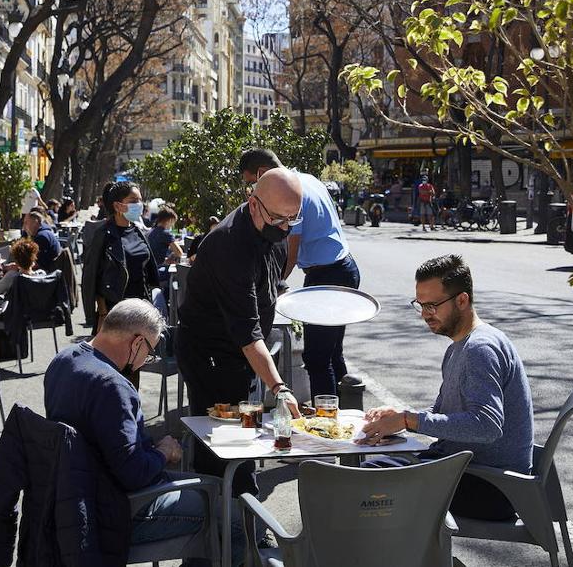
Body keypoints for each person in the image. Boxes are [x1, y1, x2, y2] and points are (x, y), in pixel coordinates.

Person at [44, 299, 250, 566]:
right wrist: (163, 452)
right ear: (137, 342)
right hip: (118, 509)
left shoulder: (62, 361)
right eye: (149, 352)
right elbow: (134, 474)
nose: (145, 361)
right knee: (238, 519)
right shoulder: (112, 386)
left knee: (208, 494)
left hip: (76, 497)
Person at [358, 255, 534, 522]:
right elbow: (442, 411)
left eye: (433, 305)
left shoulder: (480, 349)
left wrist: (409, 420)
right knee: (367, 470)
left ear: (462, 300)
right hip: (463, 469)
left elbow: (487, 426)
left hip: (492, 488)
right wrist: (398, 418)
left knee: (366, 484)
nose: (425, 314)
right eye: (420, 305)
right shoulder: (458, 348)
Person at [176, 170, 300, 496]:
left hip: (241, 351)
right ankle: (224, 525)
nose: (285, 227)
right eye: (278, 218)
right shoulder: (228, 245)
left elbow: (272, 279)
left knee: (247, 431)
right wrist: (280, 387)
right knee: (224, 440)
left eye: (292, 219)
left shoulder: (275, 226)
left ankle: (239, 517)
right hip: (211, 352)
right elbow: (247, 332)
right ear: (253, 202)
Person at [241, 148, 361, 401]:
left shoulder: (292, 195)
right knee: (332, 353)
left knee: (317, 358)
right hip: (343, 269)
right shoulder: (307, 178)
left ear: (263, 174)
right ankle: (350, 411)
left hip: (328, 277)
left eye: (252, 184)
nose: (252, 192)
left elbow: (290, 256)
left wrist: (269, 287)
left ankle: (327, 422)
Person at [80, 182, 161, 335]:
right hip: (115, 314)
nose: (139, 204)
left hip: (141, 310)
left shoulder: (138, 232)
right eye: (133, 201)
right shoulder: (103, 235)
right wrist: (103, 314)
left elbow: (149, 272)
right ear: (117, 206)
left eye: (140, 200)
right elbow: (92, 278)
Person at [0, 239, 43, 306]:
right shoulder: (41, 276)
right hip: (37, 313)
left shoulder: (12, 277)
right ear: (34, 258)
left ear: (16, 261)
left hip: (15, 313)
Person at [21, 209, 63, 273]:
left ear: (35, 223)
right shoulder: (42, 231)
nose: (23, 227)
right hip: (49, 269)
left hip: (47, 273)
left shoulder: (41, 237)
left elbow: (36, 263)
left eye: (26, 223)